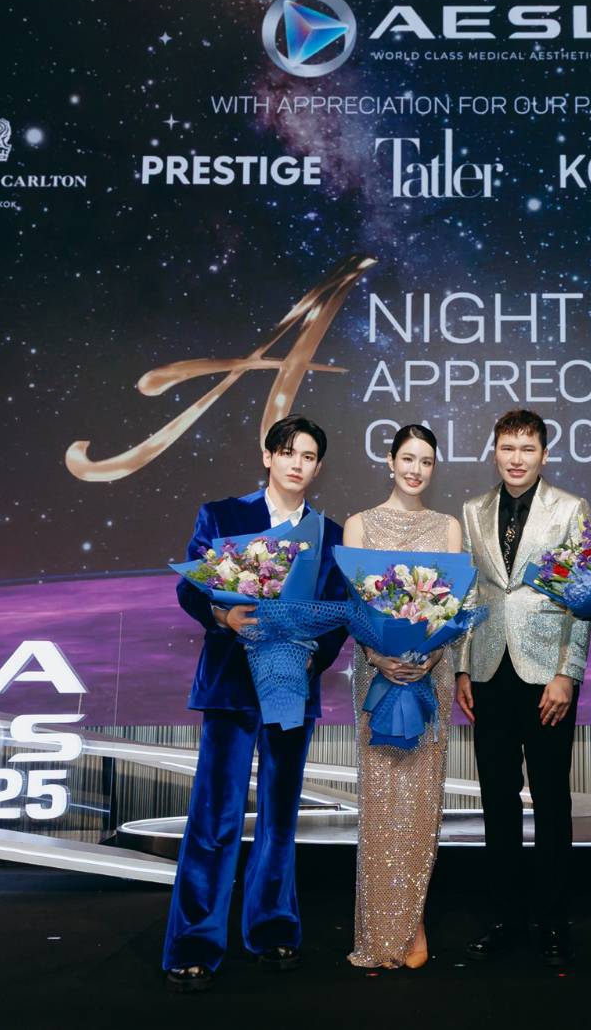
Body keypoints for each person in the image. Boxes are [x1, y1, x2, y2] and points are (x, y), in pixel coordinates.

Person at [162, 415, 348, 993]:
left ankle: (272, 928)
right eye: (288, 452)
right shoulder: (222, 515)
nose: (297, 464)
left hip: (290, 683)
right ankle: (195, 941)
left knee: (279, 817)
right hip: (229, 685)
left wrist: (311, 655)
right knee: (215, 816)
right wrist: (222, 615)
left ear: (318, 467)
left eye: (308, 456)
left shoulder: (330, 533)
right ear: (268, 456)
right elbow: (190, 586)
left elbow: (338, 612)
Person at [455, 409, 591, 966]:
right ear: (494, 451)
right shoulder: (473, 509)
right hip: (489, 672)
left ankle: (554, 921)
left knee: (552, 800)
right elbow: (469, 592)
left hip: (546, 677)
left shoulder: (570, 508)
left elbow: (582, 595)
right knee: (497, 800)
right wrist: (462, 668)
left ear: (544, 454)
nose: (516, 458)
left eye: (527, 448)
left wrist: (568, 674)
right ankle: (505, 918)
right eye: (507, 447)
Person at [341, 423, 465, 970]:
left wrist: (430, 657)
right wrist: (378, 656)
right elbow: (355, 609)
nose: (416, 469)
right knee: (382, 799)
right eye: (408, 458)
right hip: (376, 675)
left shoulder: (448, 527)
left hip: (431, 676)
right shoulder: (360, 524)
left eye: (427, 461)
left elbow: (454, 611)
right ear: (390, 461)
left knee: (420, 801)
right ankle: (379, 928)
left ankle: (413, 919)